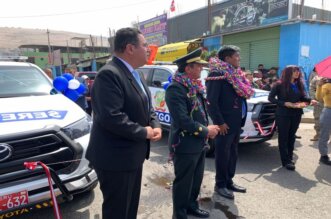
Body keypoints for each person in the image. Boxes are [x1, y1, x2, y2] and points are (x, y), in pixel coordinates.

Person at [86, 27, 162, 219]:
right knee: (118, 211)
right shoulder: (109, 74)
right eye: (144, 45)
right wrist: (143, 132)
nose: (148, 49)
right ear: (130, 48)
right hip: (115, 158)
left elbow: (147, 107)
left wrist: (156, 126)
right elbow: (111, 117)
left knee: (129, 208)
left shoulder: (137, 75)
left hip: (131, 155)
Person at [165, 48, 219, 219]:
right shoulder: (176, 89)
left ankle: (191, 206)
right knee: (183, 182)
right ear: (188, 68)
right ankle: (179, 214)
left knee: (196, 180)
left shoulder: (194, 86)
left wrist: (208, 127)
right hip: (185, 144)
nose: (202, 69)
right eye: (199, 66)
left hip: (199, 143)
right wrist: (206, 131)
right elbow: (183, 120)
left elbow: (201, 113)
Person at [206, 45, 254, 199]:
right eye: (236, 56)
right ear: (227, 58)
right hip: (224, 124)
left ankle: (229, 181)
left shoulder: (235, 74)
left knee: (233, 153)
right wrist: (219, 122)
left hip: (235, 122)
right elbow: (211, 102)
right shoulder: (217, 74)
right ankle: (220, 184)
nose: (239, 58)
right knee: (222, 154)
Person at [268, 65, 317, 171]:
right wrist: (284, 103)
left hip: (296, 113)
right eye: (295, 71)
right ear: (288, 72)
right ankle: (285, 161)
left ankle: (289, 157)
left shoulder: (298, 84)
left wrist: (309, 101)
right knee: (284, 137)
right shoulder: (279, 84)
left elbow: (302, 97)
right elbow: (271, 98)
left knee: (292, 136)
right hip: (283, 114)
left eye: (298, 71)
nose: (297, 73)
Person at [316, 78, 331, 165]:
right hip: (328, 111)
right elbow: (319, 98)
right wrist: (319, 85)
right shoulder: (326, 85)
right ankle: (324, 156)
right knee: (324, 135)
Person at [309, 73, 323, 141]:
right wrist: (314, 97)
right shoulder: (317, 78)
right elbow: (311, 87)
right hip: (319, 103)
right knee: (317, 119)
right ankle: (318, 134)